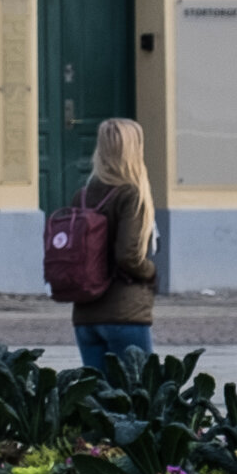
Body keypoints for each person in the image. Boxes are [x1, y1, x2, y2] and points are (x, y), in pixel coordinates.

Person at [71, 117, 158, 370]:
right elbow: (128, 255)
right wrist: (150, 272)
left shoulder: (84, 195)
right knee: (138, 396)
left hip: (86, 316)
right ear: (135, 149)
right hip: (124, 314)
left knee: (98, 401)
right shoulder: (131, 194)